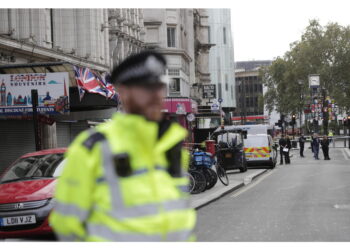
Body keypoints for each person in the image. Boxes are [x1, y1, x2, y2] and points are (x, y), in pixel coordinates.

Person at [49, 51, 196, 242]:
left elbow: (178, 214)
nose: (156, 94)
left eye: (160, 86)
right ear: (124, 92)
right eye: (146, 87)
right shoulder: (94, 148)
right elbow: (66, 224)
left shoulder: (171, 146)